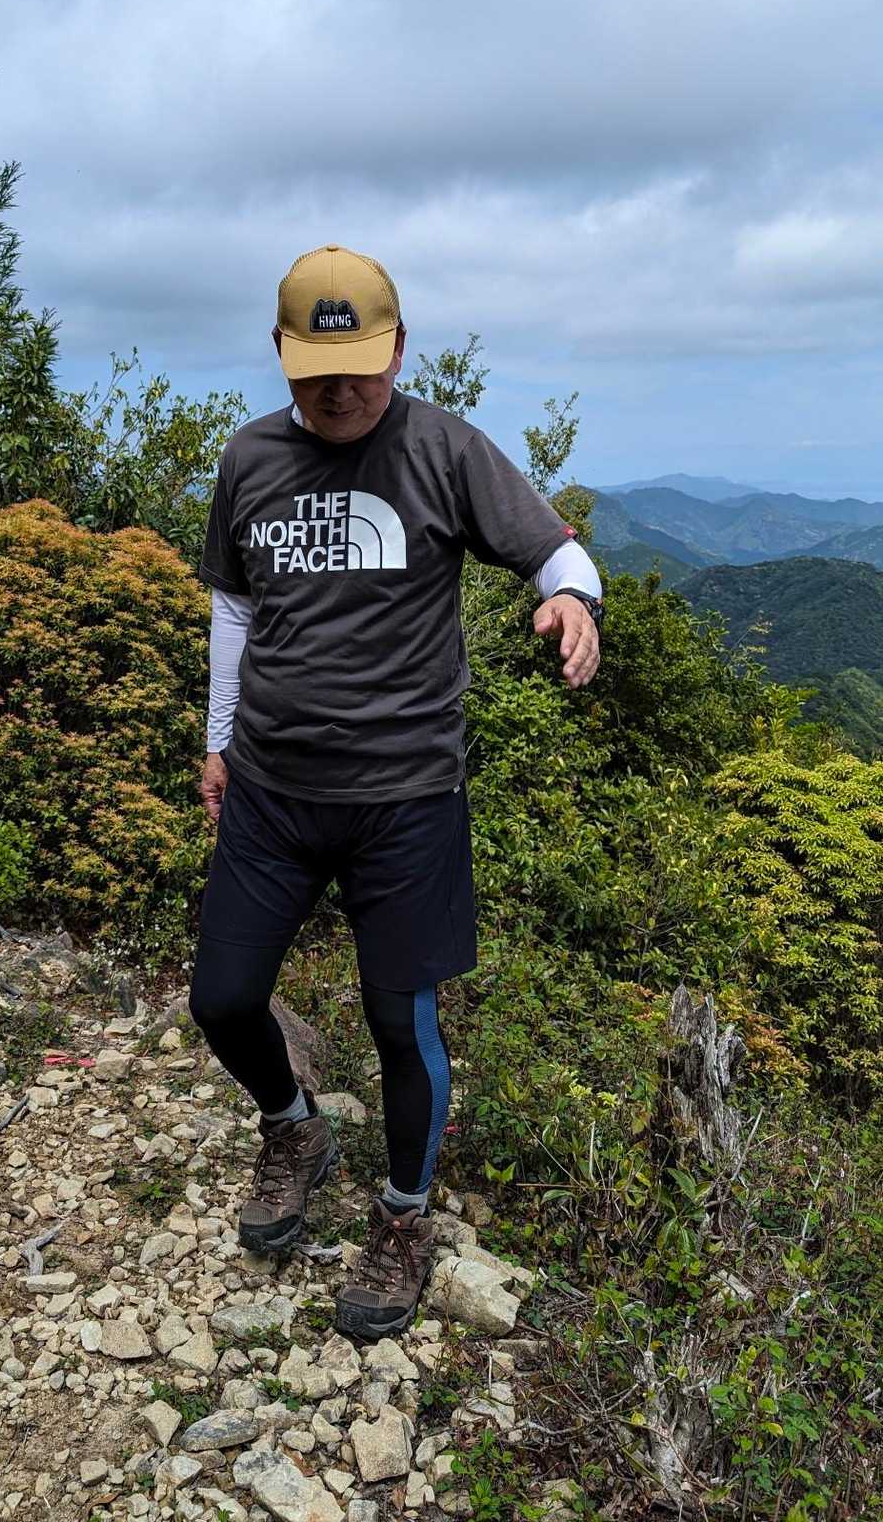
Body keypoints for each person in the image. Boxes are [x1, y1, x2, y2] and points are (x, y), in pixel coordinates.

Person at [190, 245, 603, 1338]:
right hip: (271, 789)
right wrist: (218, 741)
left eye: (362, 369)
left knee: (397, 1018)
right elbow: (234, 607)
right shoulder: (248, 458)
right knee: (222, 998)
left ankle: (404, 1216)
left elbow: (556, 552)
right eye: (317, 371)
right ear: (281, 355)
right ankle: (294, 1126)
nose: (341, 392)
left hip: (406, 796)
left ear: (401, 350)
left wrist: (575, 602)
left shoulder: (444, 449)